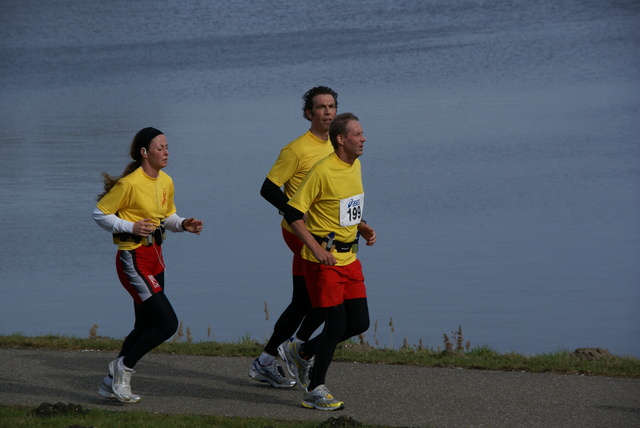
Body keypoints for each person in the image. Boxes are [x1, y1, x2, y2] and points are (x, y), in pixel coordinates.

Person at [93, 127, 204, 403]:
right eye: (160, 147)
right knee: (167, 324)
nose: (166, 152)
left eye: (167, 147)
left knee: (144, 325)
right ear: (144, 153)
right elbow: (100, 214)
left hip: (156, 259)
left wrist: (183, 225)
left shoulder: (165, 180)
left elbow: (166, 217)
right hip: (133, 260)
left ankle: (110, 383)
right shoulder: (129, 184)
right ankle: (123, 368)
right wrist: (129, 225)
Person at [281, 113, 377, 410]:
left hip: (350, 259)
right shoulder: (321, 171)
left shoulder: (355, 164)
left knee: (360, 321)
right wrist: (316, 248)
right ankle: (315, 389)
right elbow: (292, 213)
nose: (363, 139)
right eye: (357, 134)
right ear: (341, 139)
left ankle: (302, 350)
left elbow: (344, 206)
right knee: (335, 325)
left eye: (362, 134)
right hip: (323, 262)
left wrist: (361, 226)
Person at [249, 86, 339, 388]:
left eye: (331, 106)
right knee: (325, 301)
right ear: (308, 113)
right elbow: (268, 188)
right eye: (321, 107)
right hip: (300, 234)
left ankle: (266, 361)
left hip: (324, 232)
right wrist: (293, 212)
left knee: (302, 301)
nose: (327, 112)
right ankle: (297, 349)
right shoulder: (296, 149)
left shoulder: (336, 145)